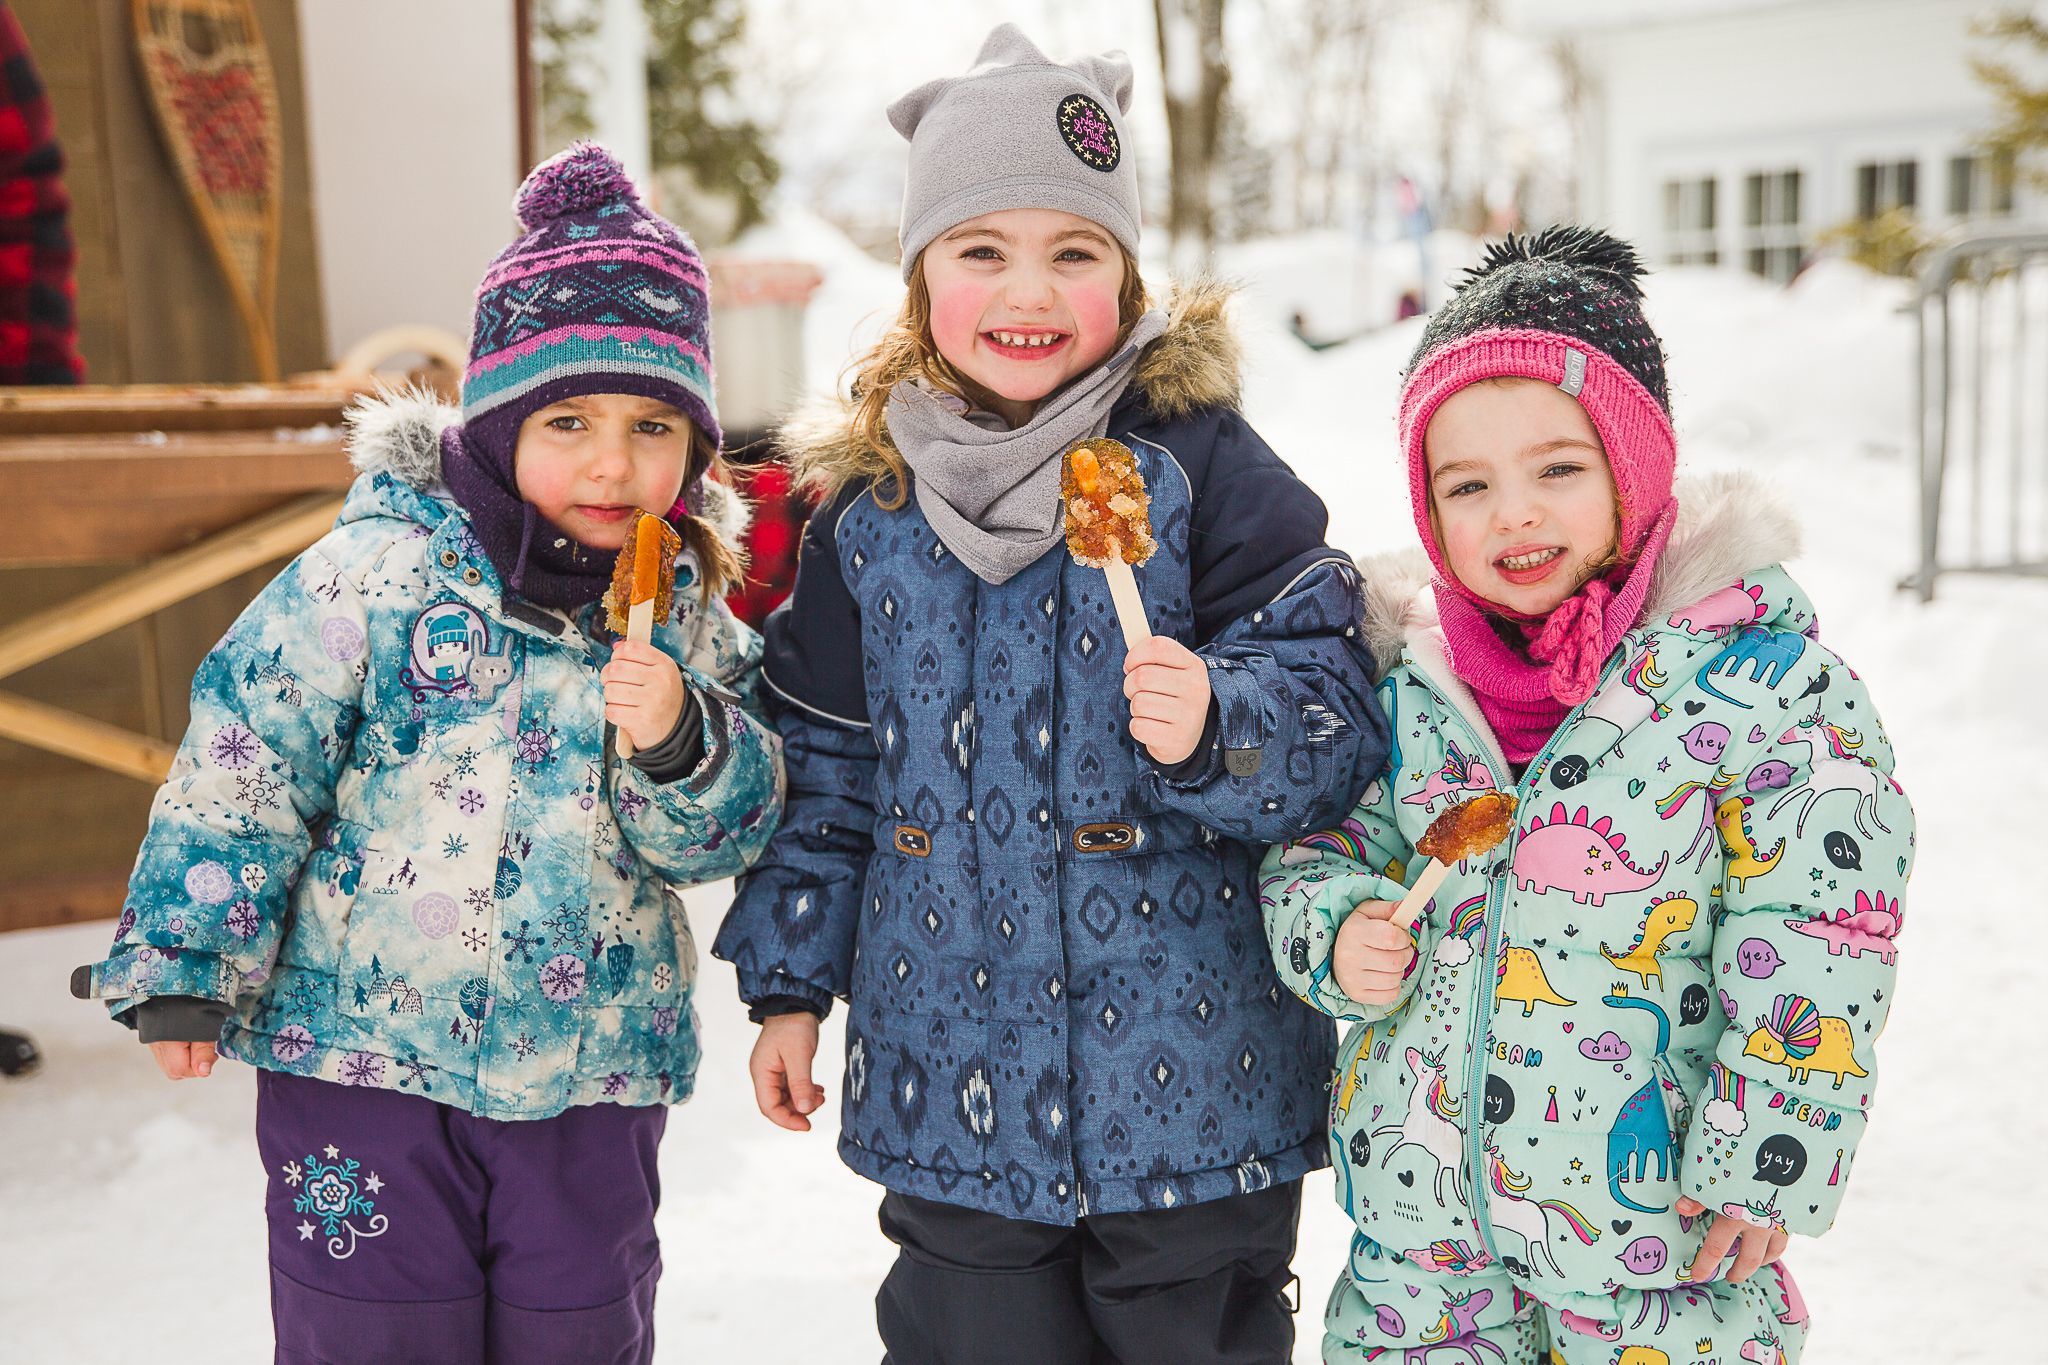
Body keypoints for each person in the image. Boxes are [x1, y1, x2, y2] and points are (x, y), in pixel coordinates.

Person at [710, 25, 1387, 1364]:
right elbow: (827, 765)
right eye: (982, 250)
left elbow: (1339, 712)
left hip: (1195, 1091)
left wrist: (1219, 720)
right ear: (920, 283)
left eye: (1074, 251)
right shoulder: (866, 509)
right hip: (950, 1078)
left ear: (1129, 276)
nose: (1031, 289)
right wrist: (788, 981)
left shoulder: (1203, 467)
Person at [69, 142, 784, 1365]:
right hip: (361, 1066)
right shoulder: (376, 575)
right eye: (569, 419)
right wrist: (191, 952)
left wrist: (678, 736)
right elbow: (249, 755)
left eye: (651, 424)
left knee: (581, 1335)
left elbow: (718, 836)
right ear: (500, 422)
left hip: (589, 1078)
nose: (612, 463)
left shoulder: (685, 616)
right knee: (372, 1337)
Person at [1262, 226, 1912, 1361]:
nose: (1512, 512)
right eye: (1467, 484)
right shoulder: (1400, 680)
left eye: (1556, 470)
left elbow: (1820, 929)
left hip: (1657, 1251)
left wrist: (1770, 1153)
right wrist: (1333, 929)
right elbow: (1315, 846)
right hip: (1425, 1251)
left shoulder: (1754, 685)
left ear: (1633, 468)